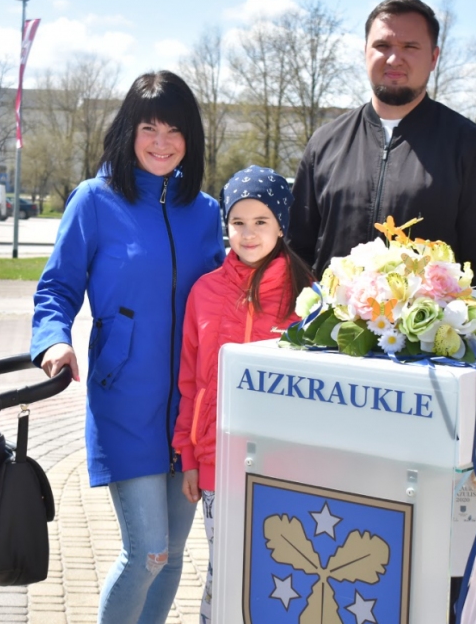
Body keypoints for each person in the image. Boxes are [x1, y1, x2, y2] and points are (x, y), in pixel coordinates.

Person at [31, 70, 225, 624]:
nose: (162, 143)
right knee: (147, 554)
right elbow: (58, 285)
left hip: (191, 411)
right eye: (150, 128)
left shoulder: (207, 213)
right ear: (128, 132)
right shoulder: (94, 201)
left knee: (173, 560)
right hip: (125, 402)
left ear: (191, 138)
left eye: (175, 131)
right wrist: (53, 341)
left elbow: (230, 292)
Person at [288, 0, 476, 347]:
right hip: (330, 356)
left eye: (410, 46)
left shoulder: (469, 147)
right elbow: (297, 252)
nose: (394, 58)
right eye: (382, 45)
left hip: (426, 364)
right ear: (365, 50)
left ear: (434, 57)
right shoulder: (324, 144)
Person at [172, 166, 313, 623]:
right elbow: (191, 383)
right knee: (226, 573)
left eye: (261, 222)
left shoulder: (307, 299)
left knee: (281, 581)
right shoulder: (204, 292)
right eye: (238, 223)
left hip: (285, 470)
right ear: (225, 226)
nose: (248, 234)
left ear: (281, 227)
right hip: (218, 466)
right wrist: (189, 457)